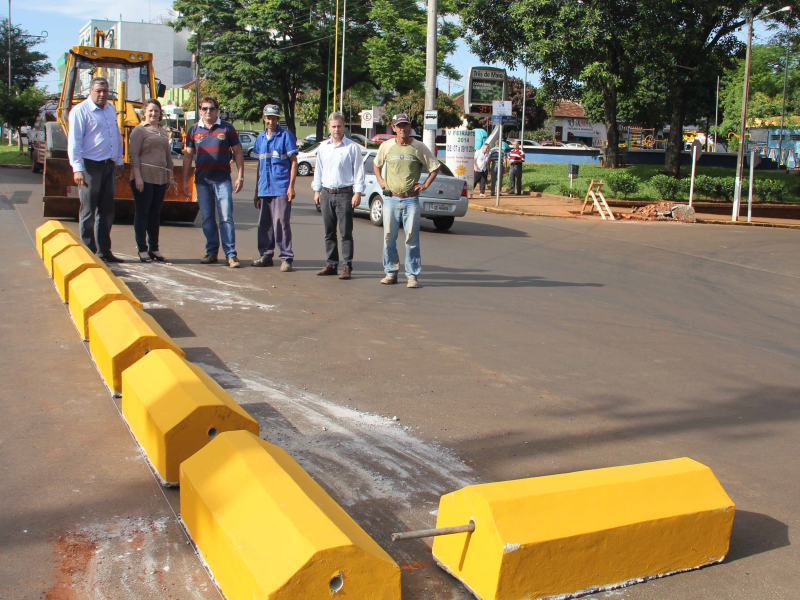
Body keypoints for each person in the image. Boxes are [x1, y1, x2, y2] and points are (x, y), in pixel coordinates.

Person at [373, 114, 440, 289]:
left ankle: (412, 275)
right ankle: (390, 272)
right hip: (391, 199)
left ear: (410, 127)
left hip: (411, 200)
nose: (402, 129)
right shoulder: (386, 146)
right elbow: (377, 164)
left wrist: (425, 185)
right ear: (393, 128)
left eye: (405, 125)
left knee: (411, 238)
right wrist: (380, 180)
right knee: (389, 237)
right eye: (399, 126)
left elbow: (435, 166)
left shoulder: (418, 147)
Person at [182, 95, 245, 268]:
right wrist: (184, 181)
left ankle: (231, 255)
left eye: (211, 108)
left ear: (217, 110)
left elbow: (238, 152)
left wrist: (240, 176)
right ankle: (211, 252)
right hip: (202, 181)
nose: (208, 111)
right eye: (204, 108)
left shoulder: (227, 128)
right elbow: (188, 156)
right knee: (207, 218)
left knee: (226, 217)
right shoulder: (193, 130)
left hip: (222, 180)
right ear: (200, 110)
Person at [67, 77, 125, 262]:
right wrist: (77, 168)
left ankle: (104, 251)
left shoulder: (109, 109)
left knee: (107, 210)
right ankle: (88, 251)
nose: (102, 94)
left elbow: (115, 134)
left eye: (105, 91)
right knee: (88, 210)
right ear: (90, 91)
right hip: (89, 165)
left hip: (108, 165)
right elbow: (74, 142)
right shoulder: (80, 111)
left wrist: (119, 159)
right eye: (98, 90)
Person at [311, 111, 365, 280]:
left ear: (344, 127)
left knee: (345, 233)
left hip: (344, 194)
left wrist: (357, 193)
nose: (336, 129)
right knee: (329, 232)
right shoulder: (323, 147)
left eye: (339, 126)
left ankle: (346, 266)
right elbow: (318, 170)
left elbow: (358, 172)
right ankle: (331, 264)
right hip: (326, 193)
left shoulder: (352, 147)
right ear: (329, 127)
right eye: (333, 126)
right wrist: (317, 190)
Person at [251, 104, 298, 272]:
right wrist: (257, 191)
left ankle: (286, 257)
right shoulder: (260, 139)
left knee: (281, 223)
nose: (270, 121)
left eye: (274, 118)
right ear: (264, 119)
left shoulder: (285, 136)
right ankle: (266, 254)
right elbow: (259, 166)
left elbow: (294, 162)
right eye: (268, 117)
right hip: (264, 187)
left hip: (281, 187)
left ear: (278, 119)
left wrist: (291, 186)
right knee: (264, 224)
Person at [129, 99, 176, 262]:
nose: (153, 114)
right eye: (150, 111)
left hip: (160, 178)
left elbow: (167, 156)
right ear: (144, 113)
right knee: (143, 213)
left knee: (155, 214)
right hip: (143, 177)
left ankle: (154, 248)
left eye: (156, 111)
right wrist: (138, 177)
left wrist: (170, 176)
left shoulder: (163, 131)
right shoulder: (139, 131)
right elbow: (133, 155)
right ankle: (142, 248)